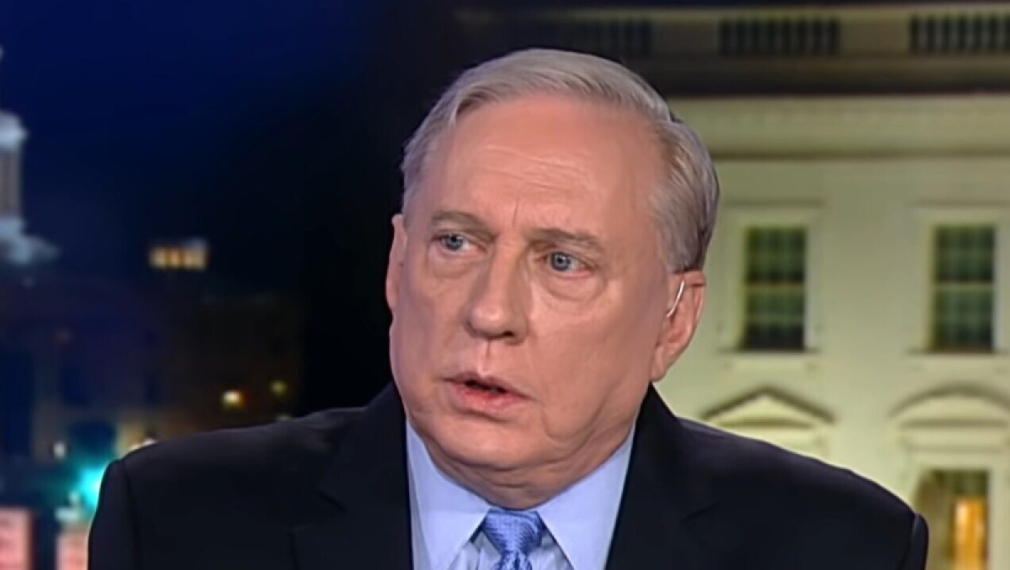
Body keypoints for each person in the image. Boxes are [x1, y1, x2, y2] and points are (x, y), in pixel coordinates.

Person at [89, 48, 927, 570]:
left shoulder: (843, 548)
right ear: (397, 265)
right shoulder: (173, 523)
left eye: (563, 262)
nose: (490, 312)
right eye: (456, 243)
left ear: (674, 319)